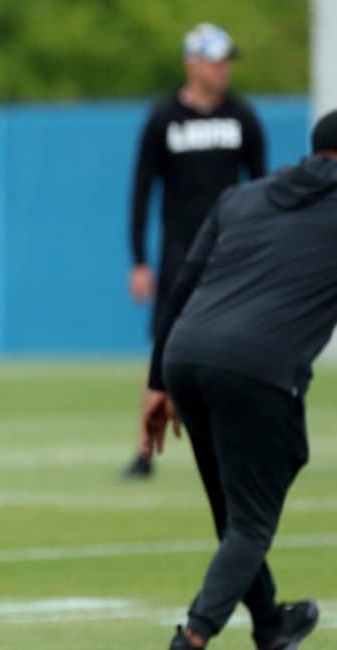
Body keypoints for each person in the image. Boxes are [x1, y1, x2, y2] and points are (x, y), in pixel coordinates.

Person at [142, 109, 337, 650]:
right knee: (251, 519)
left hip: (185, 358)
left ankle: (273, 624)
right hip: (259, 370)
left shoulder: (243, 197)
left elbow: (182, 285)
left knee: (234, 512)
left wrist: (157, 382)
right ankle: (192, 640)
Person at [123, 22, 267, 479]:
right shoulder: (165, 118)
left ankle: (237, 440)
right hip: (181, 251)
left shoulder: (242, 116)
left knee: (236, 341)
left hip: (232, 250)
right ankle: (145, 450)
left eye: (226, 61)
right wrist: (140, 261)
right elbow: (142, 190)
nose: (223, 69)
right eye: (215, 60)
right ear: (193, 63)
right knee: (164, 344)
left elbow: (260, 186)